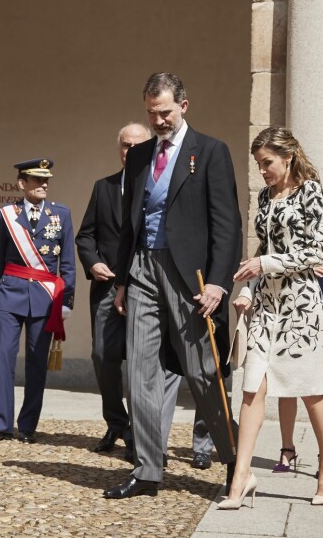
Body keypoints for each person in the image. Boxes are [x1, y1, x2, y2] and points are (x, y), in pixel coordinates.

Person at [103, 72, 241, 499]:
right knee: (140, 371)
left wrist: (219, 283)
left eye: (164, 111)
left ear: (184, 105)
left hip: (190, 278)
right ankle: (147, 470)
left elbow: (227, 225)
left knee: (202, 370)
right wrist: (124, 279)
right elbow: (132, 221)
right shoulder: (141, 154)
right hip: (143, 266)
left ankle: (234, 459)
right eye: (151, 112)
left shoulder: (211, 152)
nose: (158, 120)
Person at [75, 122, 213, 467]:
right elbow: (85, 236)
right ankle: (117, 424)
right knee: (102, 355)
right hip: (110, 287)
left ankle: (144, 436)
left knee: (146, 363)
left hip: (150, 284)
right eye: (124, 145)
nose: (129, 150)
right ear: (118, 148)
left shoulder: (159, 183)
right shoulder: (103, 187)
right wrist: (93, 264)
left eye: (136, 144)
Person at [221, 126, 323, 511]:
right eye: (258, 164)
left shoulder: (311, 191)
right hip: (265, 307)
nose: (262, 171)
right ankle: (241, 477)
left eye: (267, 163)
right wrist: (244, 290)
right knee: (252, 386)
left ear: (287, 157)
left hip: (302, 307)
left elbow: (317, 251)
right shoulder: (265, 197)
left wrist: (265, 263)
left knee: (310, 389)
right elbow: (261, 248)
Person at [0, 159, 75, 444]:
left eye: (46, 179)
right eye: (37, 180)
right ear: (22, 183)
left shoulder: (62, 214)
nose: (43, 184)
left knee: (36, 362)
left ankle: (28, 425)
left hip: (45, 299)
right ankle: (0, 424)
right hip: (12, 295)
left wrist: (67, 300)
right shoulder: (6, 214)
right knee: (5, 359)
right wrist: (10, 284)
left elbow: (67, 262)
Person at [273, 231, 323, 475]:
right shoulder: (283, 236)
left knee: (320, 386)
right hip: (287, 320)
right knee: (284, 383)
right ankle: (287, 449)